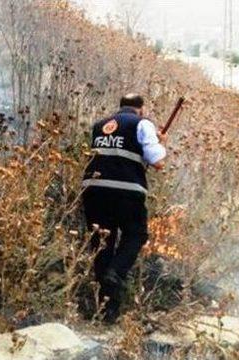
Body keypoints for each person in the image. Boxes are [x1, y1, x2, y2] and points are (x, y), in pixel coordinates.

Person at [82, 93, 167, 323]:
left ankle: (106, 312)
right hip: (126, 191)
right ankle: (116, 272)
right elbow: (157, 161)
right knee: (136, 234)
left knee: (102, 245)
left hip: (93, 190)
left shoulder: (100, 125)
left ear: (120, 107)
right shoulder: (142, 123)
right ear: (140, 109)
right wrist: (159, 143)